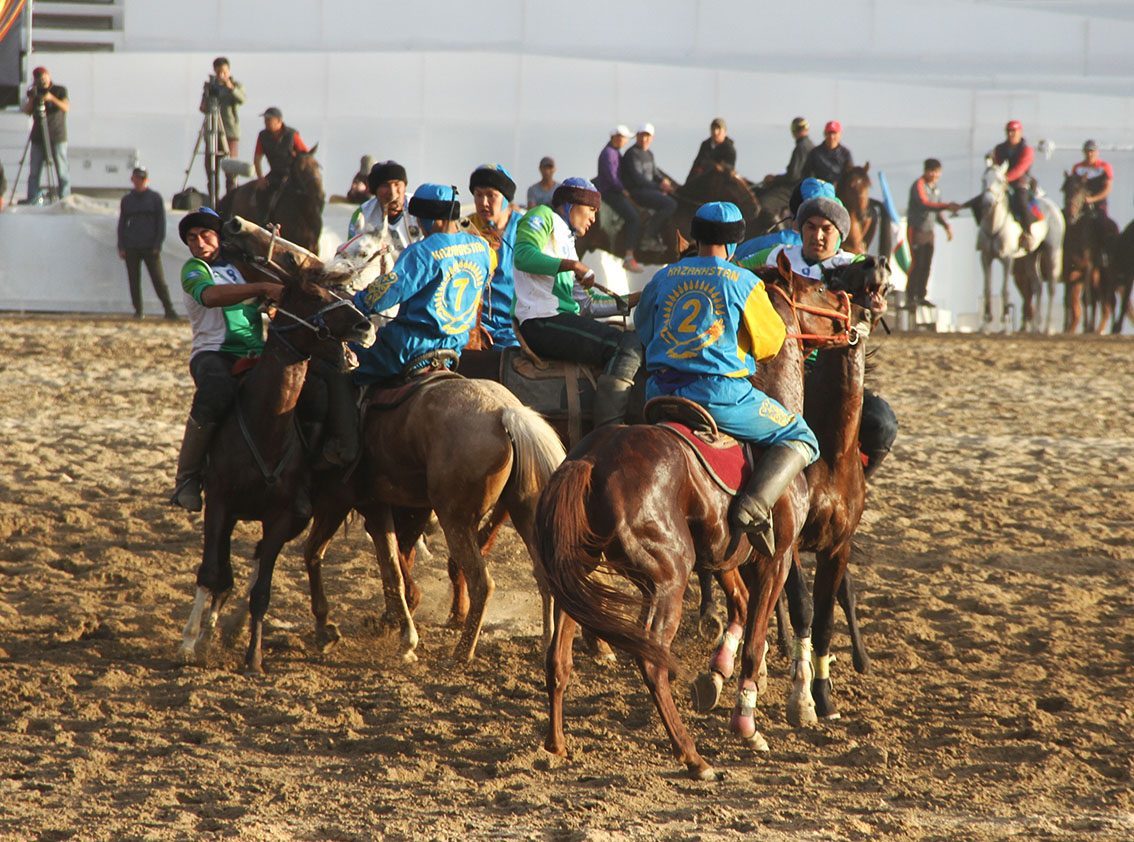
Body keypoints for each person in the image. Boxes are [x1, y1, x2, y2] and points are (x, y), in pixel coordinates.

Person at [636, 202, 819, 553]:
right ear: (735, 243)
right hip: (719, 397)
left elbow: (644, 329)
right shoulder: (745, 282)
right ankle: (754, 506)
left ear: (696, 236)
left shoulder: (663, 276)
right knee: (802, 436)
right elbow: (771, 343)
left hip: (658, 393)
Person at [739, 191, 898, 477]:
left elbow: (875, 293)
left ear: (840, 234)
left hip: (830, 372)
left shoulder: (857, 266)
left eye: (827, 229)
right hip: (774, 369)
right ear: (800, 229)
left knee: (882, 423)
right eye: (810, 227)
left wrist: (875, 309)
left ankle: (857, 481)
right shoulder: (775, 256)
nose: (818, 236)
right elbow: (734, 270)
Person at [169, 207, 282, 511]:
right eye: (192, 238)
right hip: (212, 354)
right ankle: (187, 478)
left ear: (218, 237)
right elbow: (211, 297)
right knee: (217, 391)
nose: (199, 243)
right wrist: (262, 288)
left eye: (205, 235)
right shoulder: (194, 269)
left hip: (256, 353)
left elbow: (272, 293)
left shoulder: (241, 267)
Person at [513, 177, 642, 426]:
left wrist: (633, 300)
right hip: (541, 321)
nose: (593, 218)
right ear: (571, 204)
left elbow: (587, 305)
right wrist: (573, 266)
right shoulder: (542, 215)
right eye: (591, 210)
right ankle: (609, 431)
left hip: (559, 319)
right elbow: (523, 256)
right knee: (624, 344)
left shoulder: (569, 244)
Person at [351, 184, 496, 384]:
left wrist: (356, 302)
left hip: (408, 349)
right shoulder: (482, 247)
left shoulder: (422, 252)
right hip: (454, 348)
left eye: (419, 220)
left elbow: (386, 293)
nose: (419, 226)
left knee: (345, 361)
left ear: (432, 220)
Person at [460, 164, 521, 348]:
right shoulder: (464, 228)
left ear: (505, 199)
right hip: (473, 324)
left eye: (491, 195)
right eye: (478, 195)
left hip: (515, 326)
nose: (484, 202)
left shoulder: (524, 230)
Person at [117, 166, 177, 320]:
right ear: (132, 179)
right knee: (134, 281)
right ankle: (138, 311)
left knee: (158, 280)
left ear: (147, 180)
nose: (139, 181)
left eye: (142, 178)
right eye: (137, 178)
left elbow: (161, 223)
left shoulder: (155, 198)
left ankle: (169, 309)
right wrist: (121, 246)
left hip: (150, 246)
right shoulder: (127, 200)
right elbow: (122, 224)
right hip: (131, 245)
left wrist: (157, 244)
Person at [905, 159, 961, 309]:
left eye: (937, 172)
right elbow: (924, 203)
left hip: (929, 232)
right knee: (917, 263)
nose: (935, 175)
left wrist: (946, 225)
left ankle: (921, 295)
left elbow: (937, 212)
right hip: (917, 230)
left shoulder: (936, 189)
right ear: (926, 171)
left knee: (927, 264)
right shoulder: (919, 185)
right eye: (933, 171)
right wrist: (947, 206)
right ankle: (910, 296)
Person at [593, 125, 644, 273]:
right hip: (610, 193)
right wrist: (623, 190)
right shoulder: (609, 153)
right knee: (633, 218)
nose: (626, 141)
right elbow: (611, 177)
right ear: (616, 137)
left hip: (614, 191)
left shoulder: (614, 152)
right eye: (624, 138)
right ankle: (629, 256)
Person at [622, 122, 678, 253]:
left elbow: (655, 173)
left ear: (652, 138)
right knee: (670, 204)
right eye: (641, 135)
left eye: (647, 136)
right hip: (637, 192)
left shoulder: (649, 154)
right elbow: (638, 178)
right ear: (637, 136)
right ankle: (648, 237)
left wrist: (664, 182)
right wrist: (659, 187)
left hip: (649, 189)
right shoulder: (632, 154)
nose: (644, 139)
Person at [346, 160, 421, 255]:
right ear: (375, 191)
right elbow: (352, 253)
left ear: (405, 186)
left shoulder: (420, 206)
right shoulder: (363, 214)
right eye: (385, 186)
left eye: (397, 184)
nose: (392, 193)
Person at [21, 66, 70, 203]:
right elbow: (27, 111)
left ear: (48, 76)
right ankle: (32, 198)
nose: (42, 81)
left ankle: (65, 198)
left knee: (62, 170)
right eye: (39, 78)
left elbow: (66, 107)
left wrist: (51, 98)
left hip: (57, 136)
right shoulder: (34, 91)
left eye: (43, 77)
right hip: (38, 137)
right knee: (34, 171)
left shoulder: (59, 90)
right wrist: (32, 97)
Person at [200, 57, 246, 192]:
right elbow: (204, 107)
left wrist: (231, 88)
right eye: (219, 72)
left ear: (229, 71)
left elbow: (242, 99)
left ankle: (230, 197)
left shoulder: (235, 85)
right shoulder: (210, 86)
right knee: (211, 170)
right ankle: (213, 198)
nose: (222, 75)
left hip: (230, 132)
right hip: (212, 131)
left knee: (230, 170)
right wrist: (207, 96)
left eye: (224, 72)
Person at [990, 119, 1036, 249]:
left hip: (1021, 182)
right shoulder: (999, 149)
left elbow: (1021, 168)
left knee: (1021, 200)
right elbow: (996, 164)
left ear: (1020, 132)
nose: (1011, 134)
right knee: (987, 199)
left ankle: (1028, 232)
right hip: (1001, 182)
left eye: (1014, 131)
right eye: (1009, 131)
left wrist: (1006, 178)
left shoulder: (1027, 150)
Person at [253, 107, 309, 182]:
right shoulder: (262, 136)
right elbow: (257, 159)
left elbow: (306, 155)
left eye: (268, 119)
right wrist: (260, 178)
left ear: (279, 120)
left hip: (294, 176)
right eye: (265, 120)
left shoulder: (292, 135)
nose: (265, 122)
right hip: (275, 174)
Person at [1071, 139, 1114, 228]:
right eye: (1087, 151)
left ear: (1097, 152)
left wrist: (1092, 199)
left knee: (1103, 222)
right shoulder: (1077, 167)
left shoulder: (1105, 167)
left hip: (1098, 203)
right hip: (1079, 203)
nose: (1089, 154)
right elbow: (1073, 187)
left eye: (1092, 151)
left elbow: (1107, 189)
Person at [763, 116, 813, 188]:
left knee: (765, 195)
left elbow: (793, 176)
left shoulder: (801, 148)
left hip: (796, 187)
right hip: (805, 185)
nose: (800, 131)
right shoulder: (810, 145)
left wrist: (774, 179)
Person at [802, 120, 853, 186]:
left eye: (834, 133)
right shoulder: (815, 153)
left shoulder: (845, 153)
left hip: (840, 189)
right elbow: (806, 174)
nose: (831, 137)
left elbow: (850, 175)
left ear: (839, 134)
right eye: (829, 133)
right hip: (819, 189)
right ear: (825, 134)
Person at [687, 117, 737, 181]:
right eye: (713, 129)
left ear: (725, 132)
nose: (715, 132)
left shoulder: (729, 149)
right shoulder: (705, 145)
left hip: (720, 182)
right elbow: (696, 164)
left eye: (719, 129)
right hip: (702, 180)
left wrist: (715, 166)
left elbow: (729, 169)